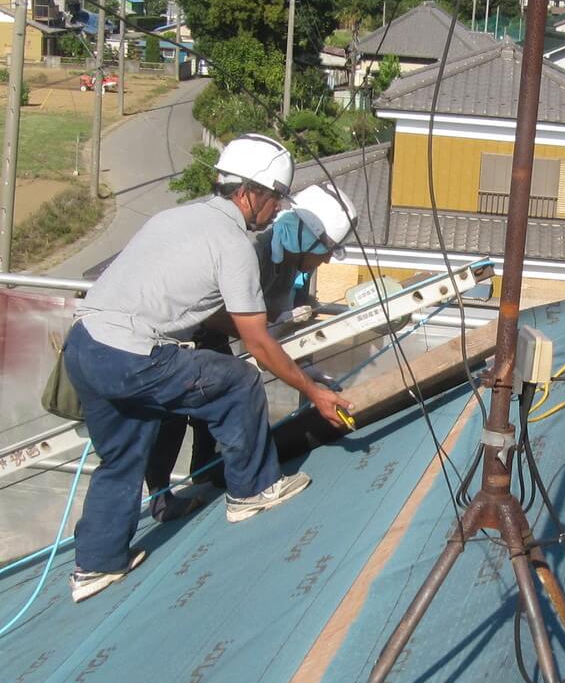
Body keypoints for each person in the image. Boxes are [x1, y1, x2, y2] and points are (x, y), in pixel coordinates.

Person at [61, 135, 353, 602]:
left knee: (122, 455)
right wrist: (314, 391)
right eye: (276, 197)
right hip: (132, 355)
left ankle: (96, 565)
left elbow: (196, 308)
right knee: (238, 380)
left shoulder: (175, 217)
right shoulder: (234, 244)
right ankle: (254, 490)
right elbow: (256, 343)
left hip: (84, 346)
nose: (278, 208)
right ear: (250, 192)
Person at [145, 183, 357, 515]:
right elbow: (223, 318)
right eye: (326, 249)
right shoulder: (252, 250)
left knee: (213, 408)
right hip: (176, 334)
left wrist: (303, 367)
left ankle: (207, 471)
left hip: (212, 336)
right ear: (306, 239)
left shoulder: (291, 266)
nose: (328, 259)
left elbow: (275, 328)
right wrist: (270, 339)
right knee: (172, 417)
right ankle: (162, 498)